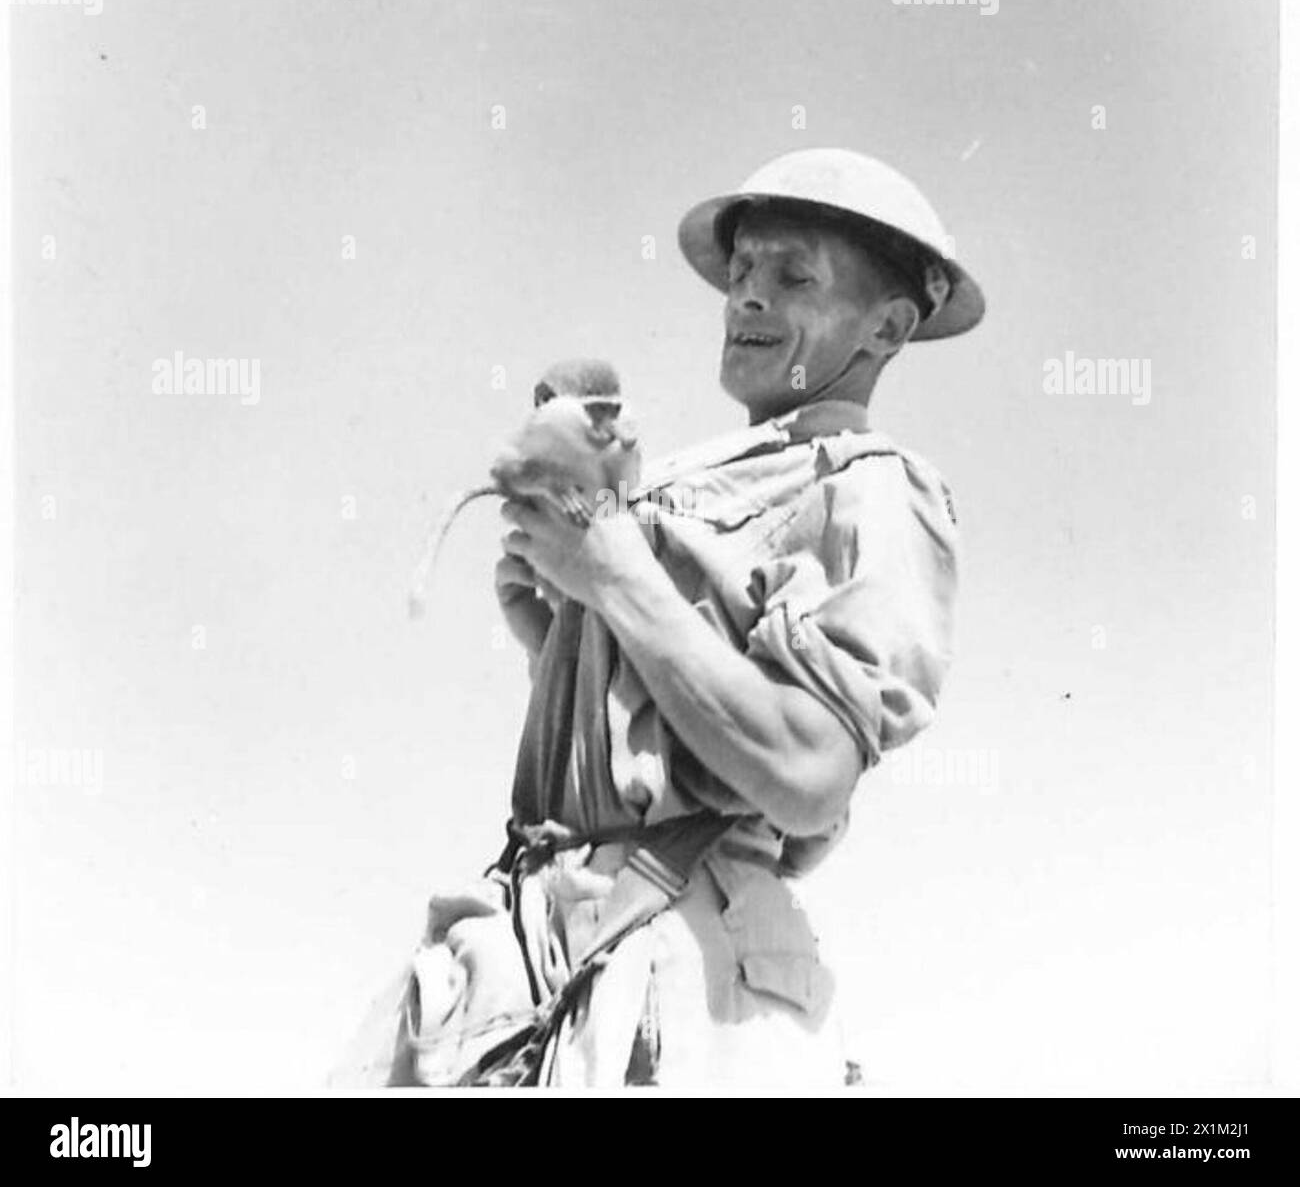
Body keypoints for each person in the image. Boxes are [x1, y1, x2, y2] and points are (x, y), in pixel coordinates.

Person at [331, 147, 985, 1089]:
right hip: (557, 930)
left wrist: (613, 579)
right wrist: (558, 648)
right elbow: (661, 735)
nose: (748, 298)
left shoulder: (873, 489)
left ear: (887, 325)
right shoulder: (704, 474)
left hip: (681, 973)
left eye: (792, 274)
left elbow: (808, 772)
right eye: (743, 272)